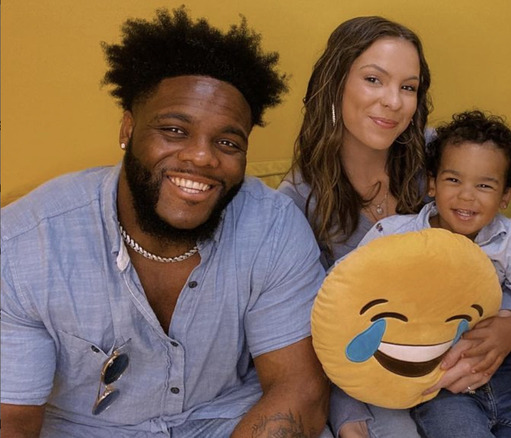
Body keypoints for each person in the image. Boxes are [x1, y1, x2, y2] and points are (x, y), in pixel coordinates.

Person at [0, 7, 329, 438]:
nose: (202, 156)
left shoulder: (273, 227)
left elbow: (299, 388)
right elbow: (12, 420)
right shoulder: (26, 243)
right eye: (175, 130)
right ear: (128, 129)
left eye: (228, 142)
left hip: (232, 423)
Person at [359, 110, 511, 438]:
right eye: (453, 180)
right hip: (440, 384)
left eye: (485, 185)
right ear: (432, 182)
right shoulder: (394, 236)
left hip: (510, 374)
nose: (466, 195)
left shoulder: (510, 239)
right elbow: (346, 292)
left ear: (506, 196)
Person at [278, 16, 430, 438]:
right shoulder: (296, 201)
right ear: (335, 83)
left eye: (408, 87)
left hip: (447, 357)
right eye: (374, 80)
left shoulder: (438, 165)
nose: (393, 102)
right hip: (367, 380)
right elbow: (315, 333)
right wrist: (348, 416)